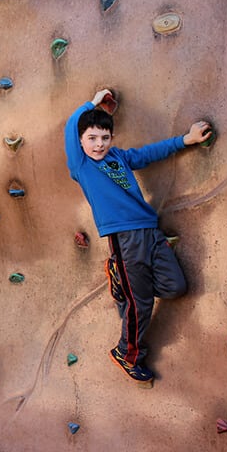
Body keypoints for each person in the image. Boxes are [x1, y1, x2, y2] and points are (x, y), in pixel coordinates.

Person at [64, 88, 213, 386]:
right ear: (81, 142)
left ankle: (123, 281)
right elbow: (71, 124)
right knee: (141, 303)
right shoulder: (82, 165)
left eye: (104, 138)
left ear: (112, 139)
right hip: (124, 238)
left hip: (150, 231)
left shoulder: (119, 157)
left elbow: (150, 153)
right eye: (92, 138)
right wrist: (93, 101)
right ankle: (127, 353)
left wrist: (187, 139)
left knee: (176, 286)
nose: (98, 144)